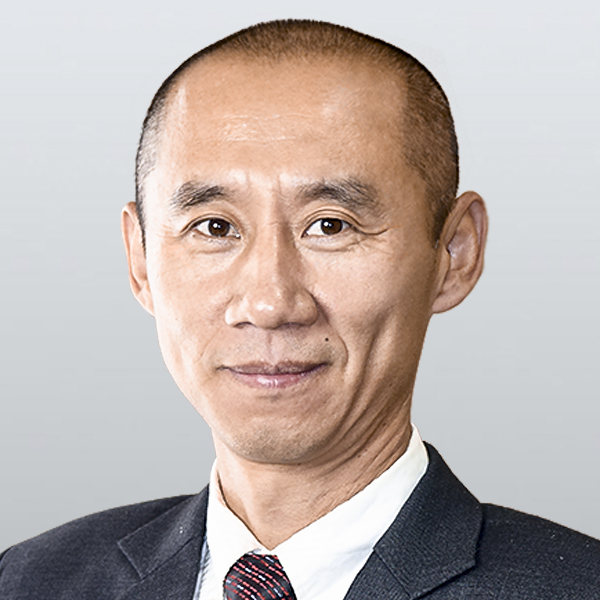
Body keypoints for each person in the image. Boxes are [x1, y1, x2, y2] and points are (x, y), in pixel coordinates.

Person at [1, 19, 599, 600]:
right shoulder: (29, 581)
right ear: (140, 260)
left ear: (454, 252)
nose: (269, 303)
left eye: (330, 226)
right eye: (215, 227)